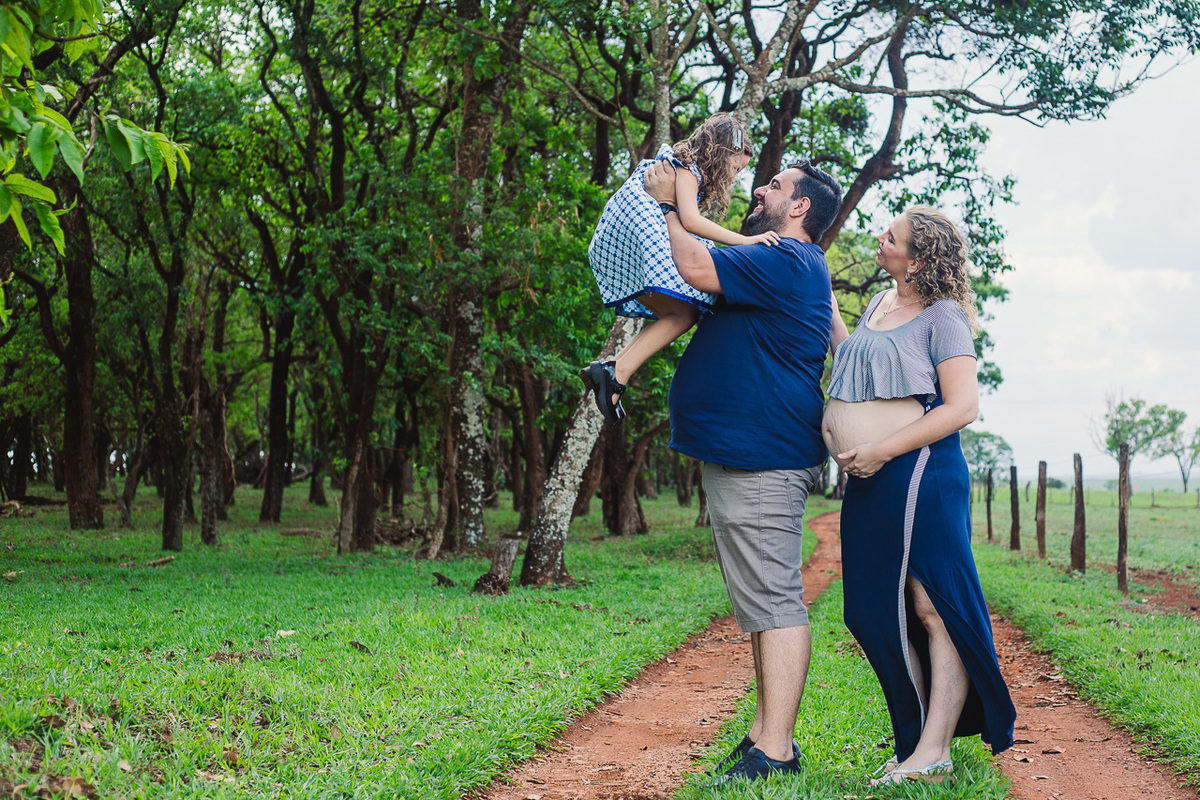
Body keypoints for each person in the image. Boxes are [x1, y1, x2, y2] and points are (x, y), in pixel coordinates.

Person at [643, 155, 844, 784]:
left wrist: (676, 202)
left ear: (800, 206)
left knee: (775, 600)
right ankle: (764, 734)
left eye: (777, 185)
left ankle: (777, 749)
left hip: (764, 458)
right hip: (751, 456)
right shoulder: (782, 262)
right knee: (759, 600)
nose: (761, 188)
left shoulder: (788, 258)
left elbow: (695, 264)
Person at [822, 206, 1016, 784]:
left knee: (934, 608)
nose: (881, 238)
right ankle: (918, 742)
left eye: (892, 236)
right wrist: (826, 307)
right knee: (872, 608)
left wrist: (883, 449)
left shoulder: (943, 316)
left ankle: (931, 752)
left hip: (923, 474)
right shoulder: (880, 305)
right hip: (873, 478)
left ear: (919, 259)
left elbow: (963, 407)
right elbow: (855, 367)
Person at [581, 113, 781, 424]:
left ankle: (612, 368)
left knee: (681, 313)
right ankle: (616, 371)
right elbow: (690, 221)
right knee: (688, 311)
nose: (735, 176)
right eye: (736, 167)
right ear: (722, 152)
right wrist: (745, 241)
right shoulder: (687, 169)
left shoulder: (684, 168)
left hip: (625, 236)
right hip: (636, 233)